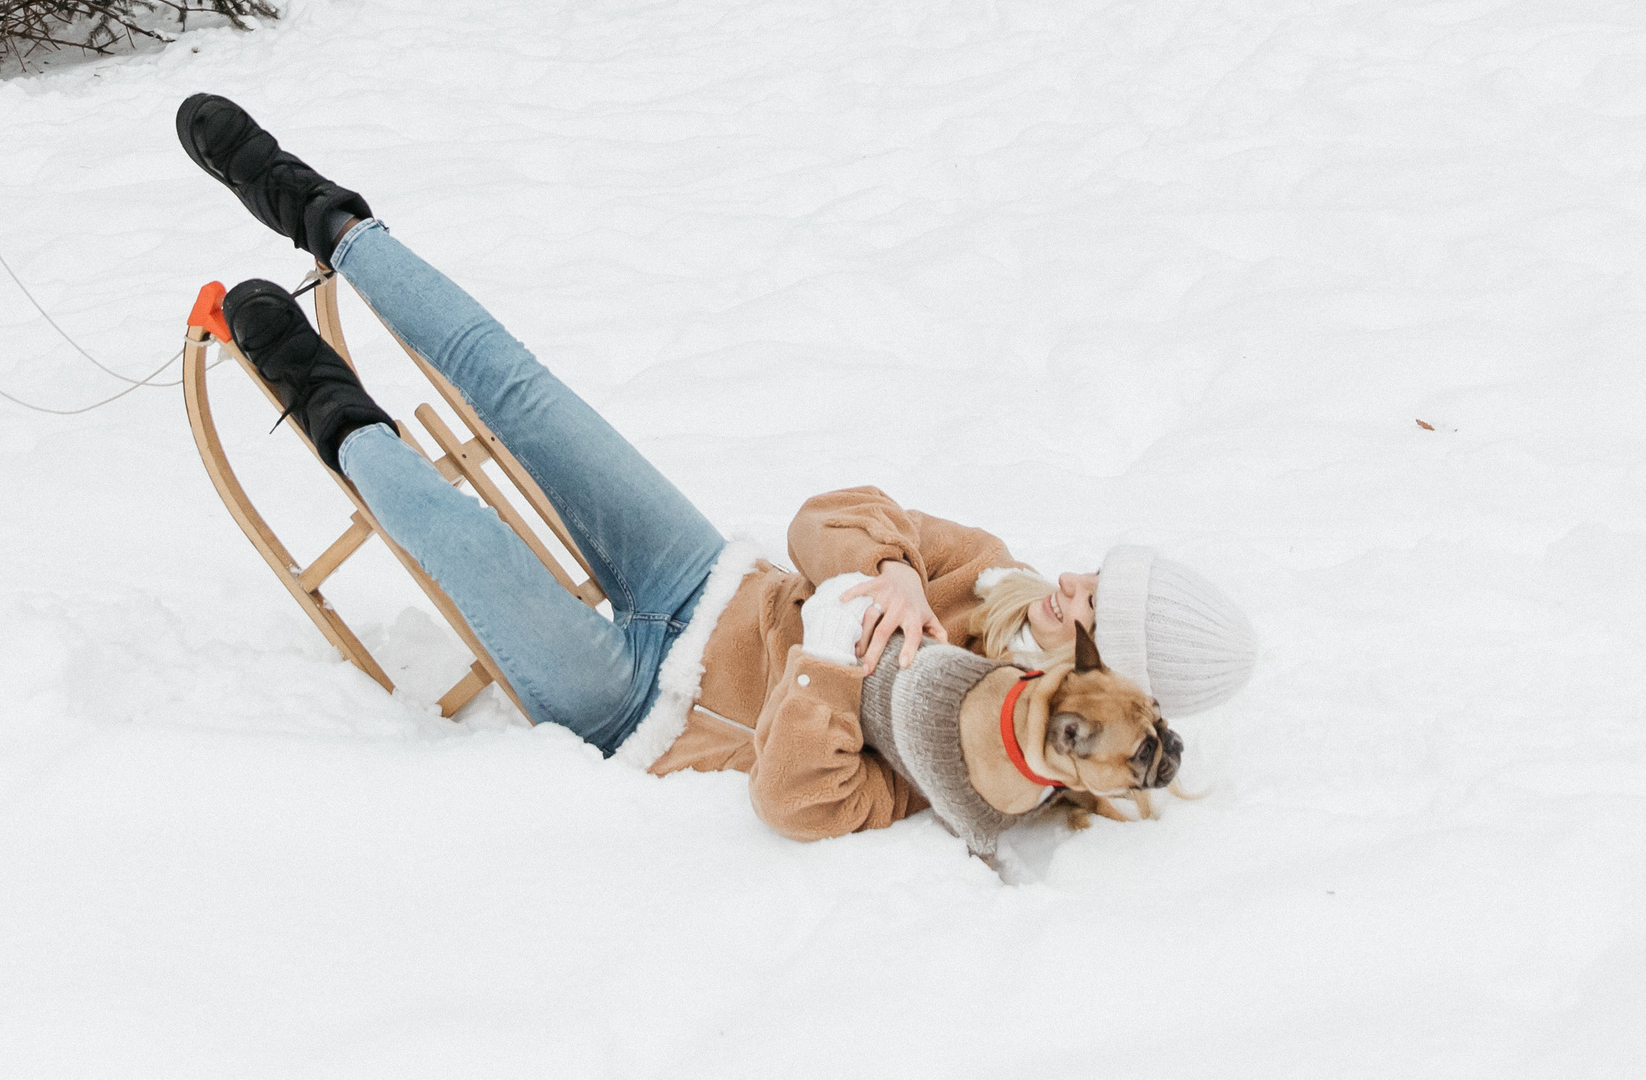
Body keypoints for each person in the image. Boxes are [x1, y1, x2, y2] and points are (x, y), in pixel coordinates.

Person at [177, 93, 1258, 851]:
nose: (1069, 584)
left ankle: (305, 382)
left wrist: (830, 672)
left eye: (1092, 603)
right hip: (707, 579)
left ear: (1112, 666)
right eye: (1091, 574)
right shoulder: (990, 573)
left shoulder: (976, 769)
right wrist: (877, 574)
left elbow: (799, 802)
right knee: (527, 397)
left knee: (445, 526)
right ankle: (318, 210)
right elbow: (827, 516)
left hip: (637, 708)